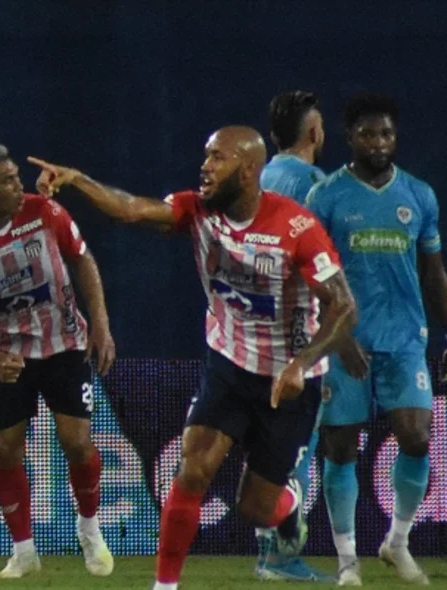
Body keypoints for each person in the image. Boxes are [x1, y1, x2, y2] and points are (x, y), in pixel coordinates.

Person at [28, 125, 358, 590]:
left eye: (217, 158)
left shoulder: (296, 227)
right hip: (227, 364)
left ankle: (287, 505)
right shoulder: (197, 209)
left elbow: (343, 306)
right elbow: (129, 209)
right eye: (206, 156)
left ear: (247, 171)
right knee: (193, 469)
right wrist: (77, 179)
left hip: (287, 378)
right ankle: (165, 586)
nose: (205, 167)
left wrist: (302, 363)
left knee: (254, 507)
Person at [0, 141, 116, 580]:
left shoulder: (45, 213)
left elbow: (83, 260)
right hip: (8, 355)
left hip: (64, 343)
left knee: (75, 441)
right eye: (7, 180)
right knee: (5, 448)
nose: (19, 186)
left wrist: (102, 324)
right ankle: (24, 552)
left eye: (17, 176)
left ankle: (89, 529)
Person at [307, 93, 442, 586]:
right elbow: (311, 275)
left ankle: (397, 542)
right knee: (340, 448)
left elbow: (433, 273)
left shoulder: (419, 195)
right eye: (368, 133)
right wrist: (336, 336)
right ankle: (347, 560)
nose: (378, 142)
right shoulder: (327, 197)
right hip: (347, 343)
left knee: (416, 436)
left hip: (405, 338)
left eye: (386, 133)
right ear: (350, 138)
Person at [252, 89, 333, 582]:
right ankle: (284, 558)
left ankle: (267, 553)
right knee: (296, 449)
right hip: (298, 336)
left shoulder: (256, 178)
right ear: (314, 132)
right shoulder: (316, 186)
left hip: (247, 334)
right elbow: (324, 270)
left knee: (268, 450)